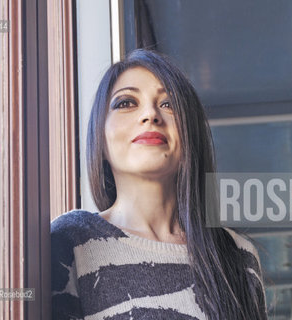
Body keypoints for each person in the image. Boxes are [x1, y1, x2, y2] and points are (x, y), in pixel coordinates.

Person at [51, 49, 268, 320]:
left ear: (190, 135)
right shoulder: (71, 240)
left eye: (168, 104)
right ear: (100, 138)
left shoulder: (237, 254)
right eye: (126, 103)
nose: (151, 115)